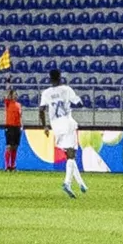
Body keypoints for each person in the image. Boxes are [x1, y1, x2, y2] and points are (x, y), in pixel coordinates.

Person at [40, 68, 86, 198]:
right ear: (60, 77)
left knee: (68, 155)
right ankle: (67, 182)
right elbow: (78, 103)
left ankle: (81, 183)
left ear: (50, 78)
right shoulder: (67, 89)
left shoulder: (46, 93)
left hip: (55, 126)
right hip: (67, 122)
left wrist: (45, 126)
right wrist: (79, 101)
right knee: (72, 154)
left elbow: (41, 110)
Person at [1, 87, 22, 172]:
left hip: (17, 127)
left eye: (16, 94)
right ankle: (7, 165)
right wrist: (8, 83)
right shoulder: (8, 103)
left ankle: (13, 166)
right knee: (9, 146)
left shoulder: (19, 105)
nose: (15, 96)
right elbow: (6, 93)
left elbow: (20, 116)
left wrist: (21, 126)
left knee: (15, 147)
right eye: (14, 94)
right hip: (9, 126)